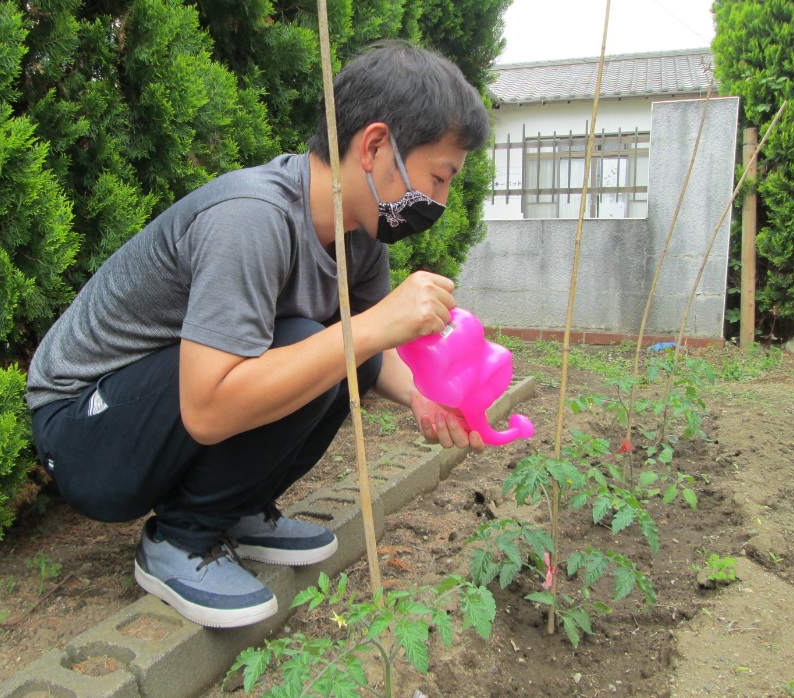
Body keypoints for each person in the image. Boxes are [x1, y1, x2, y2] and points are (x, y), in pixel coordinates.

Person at [25, 40, 491, 629]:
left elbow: (369, 353)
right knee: (315, 341)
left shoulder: (359, 237)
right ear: (374, 146)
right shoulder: (251, 218)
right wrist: (368, 328)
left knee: (333, 346)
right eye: (439, 177)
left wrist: (425, 398)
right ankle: (179, 539)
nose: (442, 201)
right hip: (84, 431)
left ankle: (233, 509)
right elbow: (208, 409)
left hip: (156, 408)